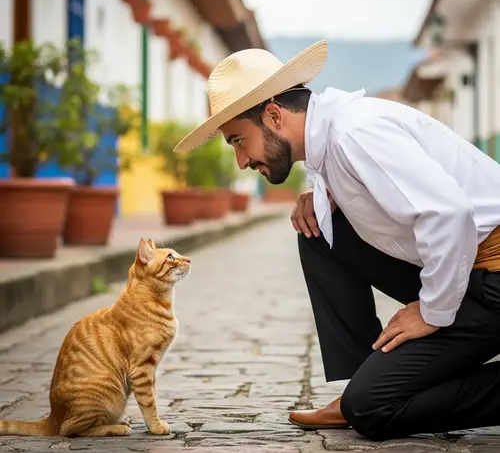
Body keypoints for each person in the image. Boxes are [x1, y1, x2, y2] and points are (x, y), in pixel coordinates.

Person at [173, 40, 500, 440]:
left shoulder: (355, 133)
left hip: (492, 280)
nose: (241, 161)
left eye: (238, 140)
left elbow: (449, 214)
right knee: (319, 232)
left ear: (274, 115)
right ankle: (367, 377)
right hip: (466, 268)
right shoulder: (332, 139)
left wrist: (431, 312)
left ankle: (368, 394)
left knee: (372, 408)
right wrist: (327, 196)